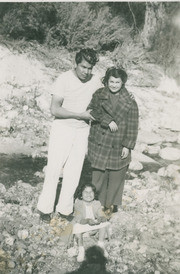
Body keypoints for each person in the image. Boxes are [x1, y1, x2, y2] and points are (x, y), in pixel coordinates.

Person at [37, 48, 102, 223]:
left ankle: (64, 210)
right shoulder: (63, 79)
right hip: (63, 129)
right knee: (54, 169)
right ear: (76, 63)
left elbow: (110, 93)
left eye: (90, 68)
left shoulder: (95, 80)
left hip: (82, 131)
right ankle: (45, 209)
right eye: (83, 67)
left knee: (74, 171)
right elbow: (55, 109)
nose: (86, 71)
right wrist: (80, 115)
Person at [87, 67, 139, 213]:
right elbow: (90, 111)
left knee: (117, 176)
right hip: (100, 142)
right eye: (111, 81)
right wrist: (107, 120)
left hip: (118, 143)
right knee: (98, 176)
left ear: (123, 83)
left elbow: (133, 125)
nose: (114, 85)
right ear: (106, 81)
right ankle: (96, 204)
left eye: (117, 82)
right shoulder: (99, 95)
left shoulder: (129, 100)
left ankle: (110, 206)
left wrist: (127, 146)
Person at [71, 183, 110, 262]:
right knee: (76, 227)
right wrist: (88, 221)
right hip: (83, 224)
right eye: (86, 192)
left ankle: (101, 244)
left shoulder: (97, 203)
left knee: (105, 224)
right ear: (81, 194)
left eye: (91, 192)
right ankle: (81, 248)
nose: (89, 194)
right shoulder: (78, 203)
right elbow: (79, 219)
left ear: (94, 194)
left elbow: (101, 214)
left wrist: (101, 218)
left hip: (92, 224)